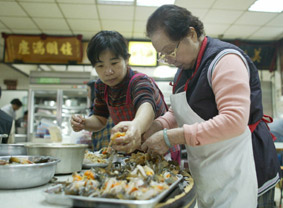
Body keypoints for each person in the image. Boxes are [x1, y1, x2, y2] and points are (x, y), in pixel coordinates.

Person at [139, 5, 280, 208]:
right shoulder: (183, 71)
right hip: (210, 172)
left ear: (192, 34)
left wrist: (171, 138)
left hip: (243, 170)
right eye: (162, 55)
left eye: (170, 50)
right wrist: (158, 126)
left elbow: (233, 121)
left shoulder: (225, 60)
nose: (169, 59)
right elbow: (179, 112)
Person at [70, 30, 180, 162]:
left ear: (126, 59)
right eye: (100, 65)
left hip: (161, 150)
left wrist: (136, 126)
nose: (108, 71)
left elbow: (147, 107)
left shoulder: (139, 81)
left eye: (114, 63)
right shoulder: (101, 86)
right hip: (133, 153)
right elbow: (100, 120)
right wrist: (84, 123)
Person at [86, 80, 114, 151]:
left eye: (88, 90)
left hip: (107, 144)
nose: (87, 94)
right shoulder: (98, 105)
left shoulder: (103, 104)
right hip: (105, 145)